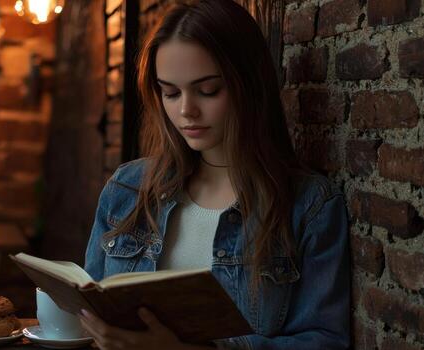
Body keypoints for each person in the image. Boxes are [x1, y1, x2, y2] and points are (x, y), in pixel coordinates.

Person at [79, 1, 350, 349]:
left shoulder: (309, 206)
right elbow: (92, 312)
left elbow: (324, 342)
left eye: (208, 90)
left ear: (249, 85)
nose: (186, 111)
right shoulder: (127, 188)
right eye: (170, 92)